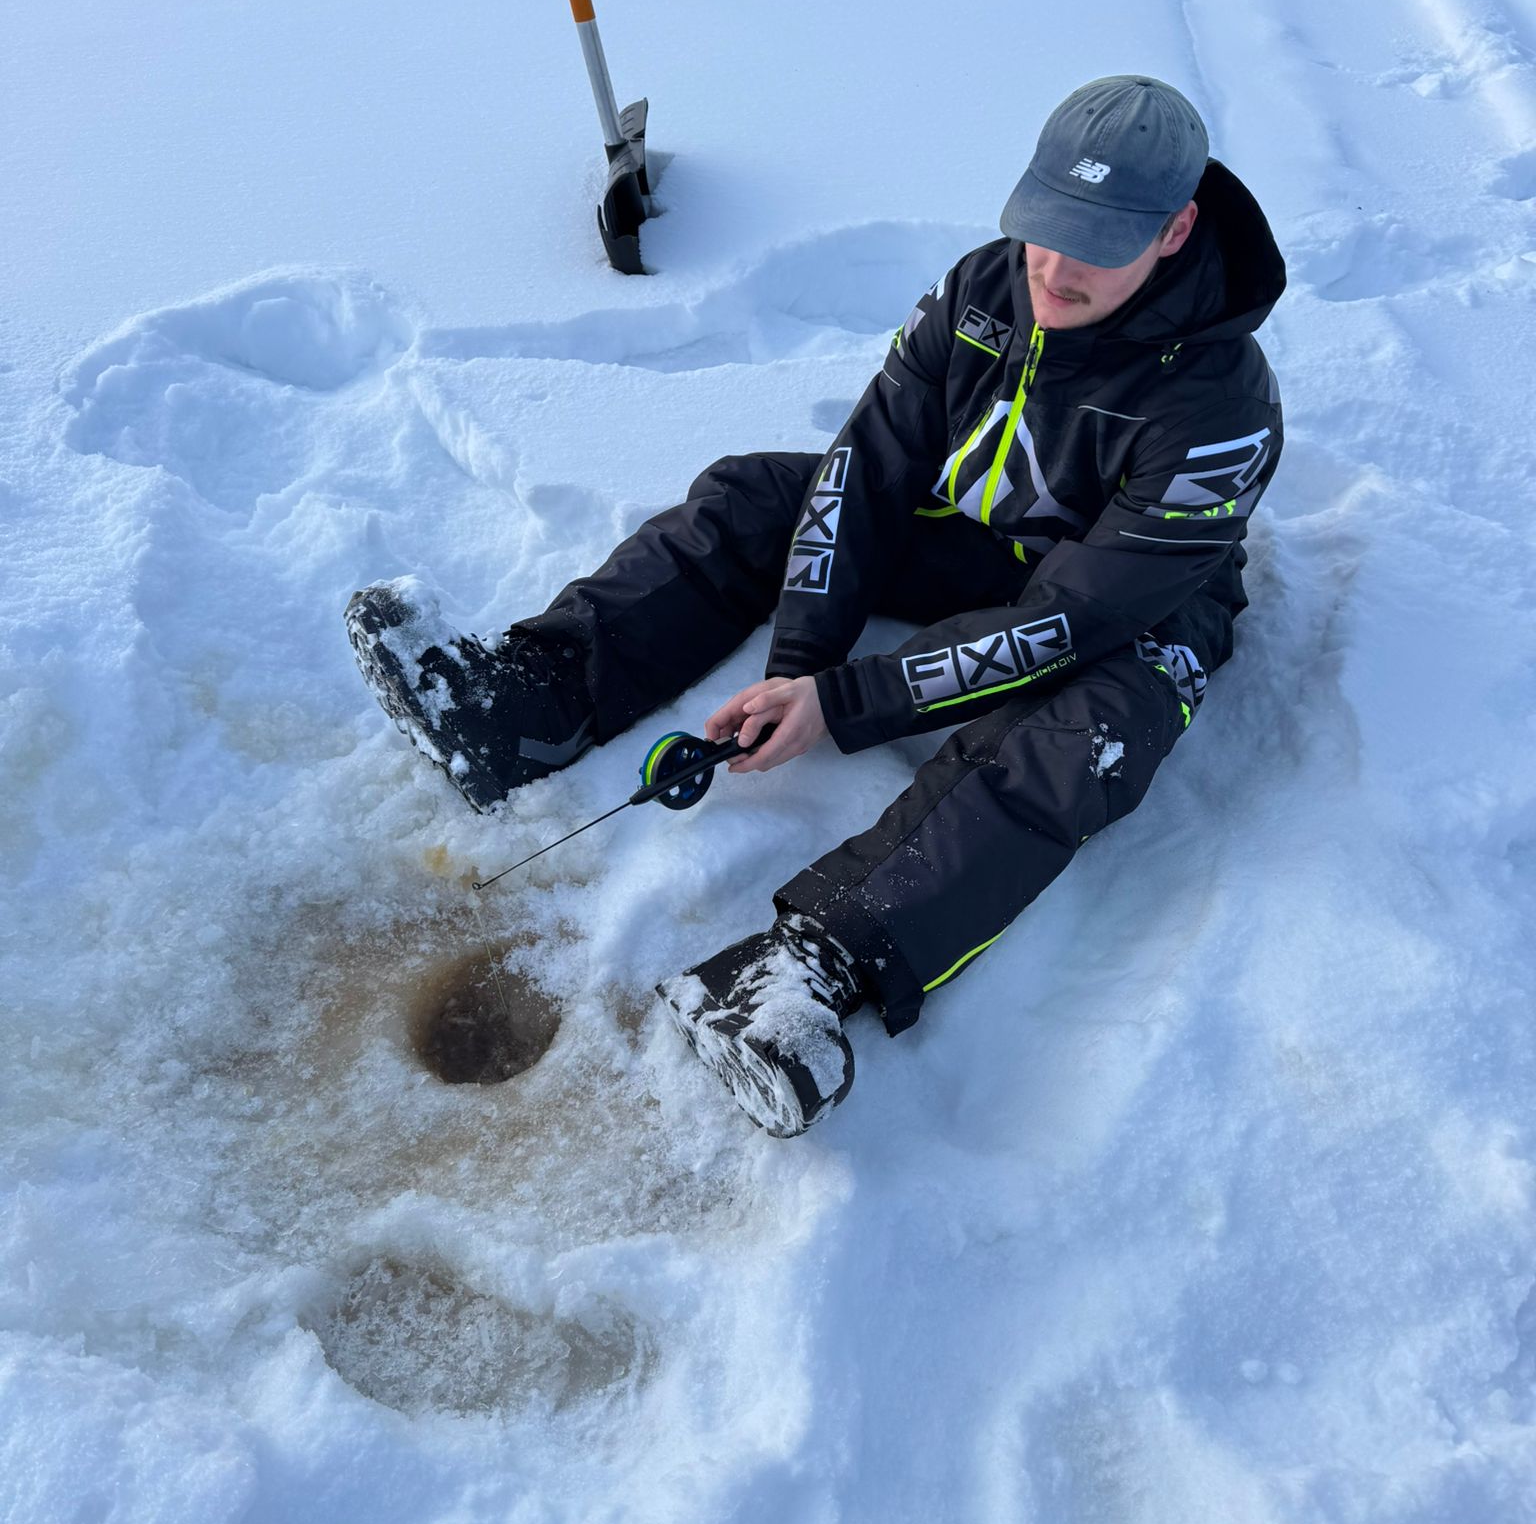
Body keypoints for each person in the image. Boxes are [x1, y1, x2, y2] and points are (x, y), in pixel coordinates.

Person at [346, 75, 1285, 1138]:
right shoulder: (983, 291)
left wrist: (845, 700)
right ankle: (528, 700)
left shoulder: (1219, 411)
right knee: (759, 495)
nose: (1056, 269)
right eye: (1043, 229)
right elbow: (870, 466)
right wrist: (801, 654)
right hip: (983, 539)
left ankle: (812, 968)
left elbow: (1070, 618)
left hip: (1133, 607)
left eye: (1097, 243)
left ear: (1176, 231)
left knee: (1083, 727)